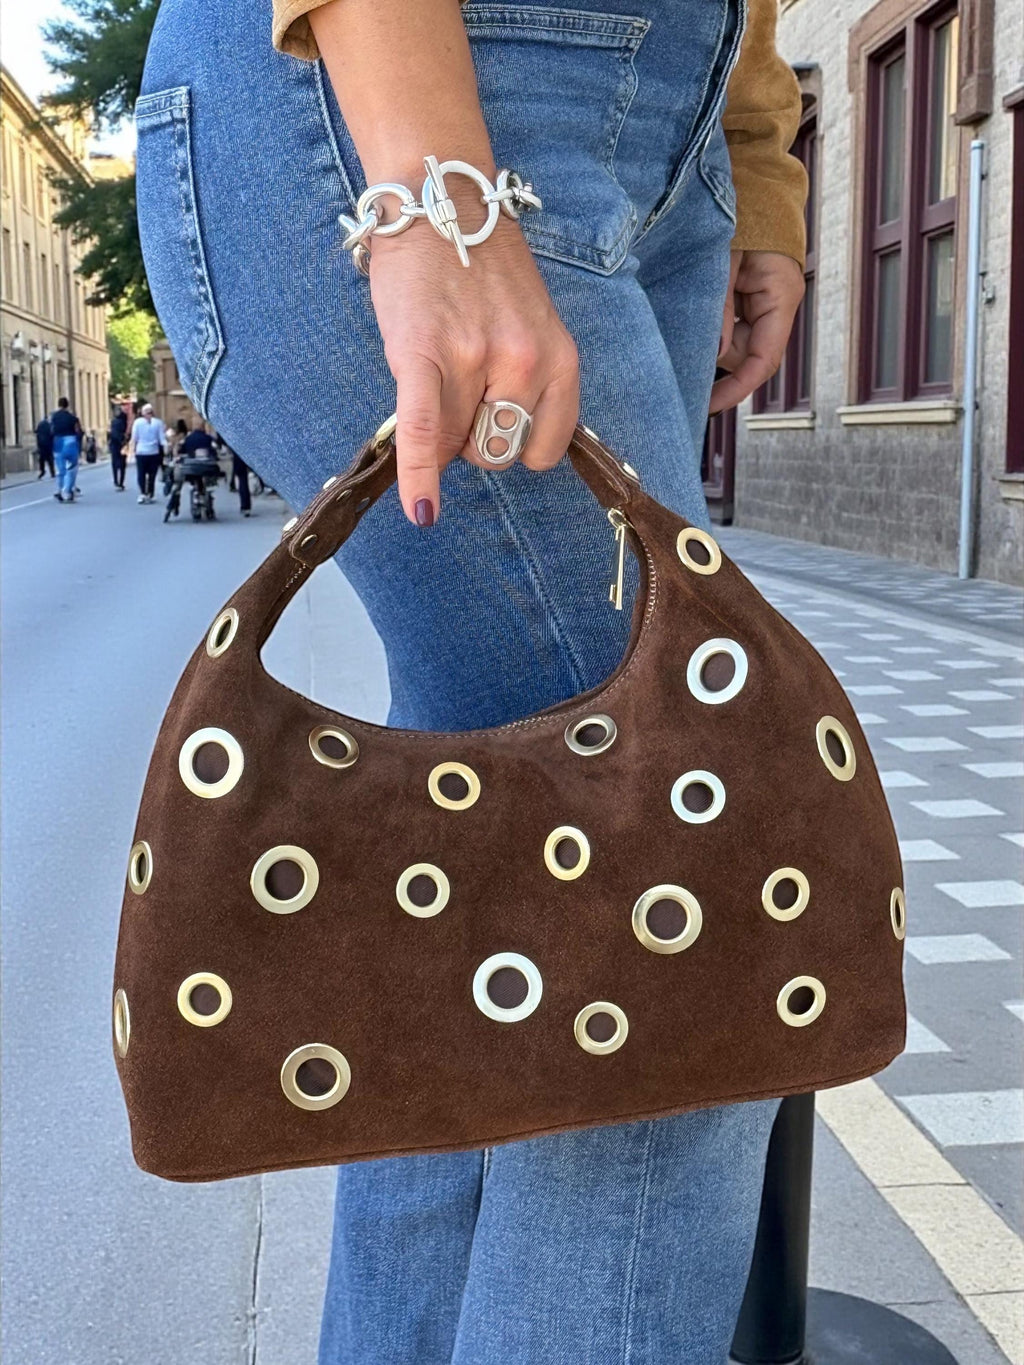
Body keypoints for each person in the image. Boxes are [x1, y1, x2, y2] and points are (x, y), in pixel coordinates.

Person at [137, 0, 807, 1357]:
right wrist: (430, 183)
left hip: (651, 132)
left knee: (465, 966)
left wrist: (749, 156)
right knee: (691, 959)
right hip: (422, 92)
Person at [129, 402, 167, 503]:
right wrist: (166, 446)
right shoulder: (156, 423)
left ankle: (145, 493)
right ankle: (148, 493)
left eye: (149, 412)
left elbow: (134, 438)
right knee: (149, 474)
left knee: (145, 474)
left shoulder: (139, 422)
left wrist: (132, 451)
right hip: (150, 452)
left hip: (144, 452)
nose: (148, 414)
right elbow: (161, 439)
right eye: (147, 412)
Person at [49, 397, 81, 504]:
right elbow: (78, 431)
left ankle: (59, 489)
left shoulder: (54, 417)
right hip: (70, 442)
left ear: (59, 405)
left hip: (58, 443)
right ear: (67, 405)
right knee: (72, 468)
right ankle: (68, 491)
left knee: (61, 470)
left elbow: (51, 431)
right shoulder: (73, 418)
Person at [109, 407, 129, 490]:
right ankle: (121, 482)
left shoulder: (114, 422)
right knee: (122, 464)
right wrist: (123, 441)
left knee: (114, 463)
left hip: (114, 445)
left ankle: (116, 480)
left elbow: (112, 434)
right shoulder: (123, 422)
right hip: (122, 445)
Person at [34, 415, 54, 479]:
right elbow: (52, 435)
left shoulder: (40, 425)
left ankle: (42, 471)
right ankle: (52, 472)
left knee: (42, 459)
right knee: (50, 459)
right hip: (48, 445)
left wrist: (38, 444)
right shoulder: (49, 425)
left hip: (41, 445)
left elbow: (37, 433)